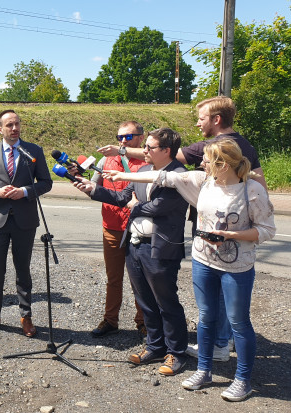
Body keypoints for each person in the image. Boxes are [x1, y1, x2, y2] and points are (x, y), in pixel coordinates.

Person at [103, 138, 275, 402]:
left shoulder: (250, 189)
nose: (201, 163)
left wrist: (232, 234)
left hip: (237, 267)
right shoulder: (203, 181)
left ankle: (243, 380)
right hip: (203, 262)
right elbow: (161, 176)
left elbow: (266, 230)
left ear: (222, 164)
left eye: (206, 160)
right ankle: (204, 371)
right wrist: (120, 173)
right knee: (206, 317)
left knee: (239, 323)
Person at [74, 128, 189, 376]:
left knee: (166, 302)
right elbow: (122, 196)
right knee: (146, 301)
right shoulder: (142, 171)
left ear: (166, 151)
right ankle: (155, 346)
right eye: (145, 146)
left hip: (160, 247)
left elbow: (162, 206)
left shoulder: (179, 175)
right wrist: (92, 190)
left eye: (150, 147)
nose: (144, 151)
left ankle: (176, 353)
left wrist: (136, 206)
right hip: (135, 244)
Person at [178, 96, 266, 362]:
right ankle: (220, 343)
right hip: (227, 232)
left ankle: (219, 346)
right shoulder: (245, 144)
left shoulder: (215, 147)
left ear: (216, 120)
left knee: (221, 298)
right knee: (221, 297)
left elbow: (172, 157)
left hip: (222, 235)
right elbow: (260, 181)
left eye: (201, 118)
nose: (197, 124)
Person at [0, 110, 52, 337]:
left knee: (23, 270)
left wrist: (26, 191)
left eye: (17, 124)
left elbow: (46, 182)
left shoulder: (33, 151)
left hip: (25, 220)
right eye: (9, 125)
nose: (14, 128)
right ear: (0, 128)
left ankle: (26, 317)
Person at [88, 121, 147, 338]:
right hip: (112, 226)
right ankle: (110, 320)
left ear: (141, 137)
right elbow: (95, 187)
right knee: (114, 278)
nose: (123, 141)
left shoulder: (149, 161)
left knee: (140, 279)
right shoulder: (106, 160)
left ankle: (144, 321)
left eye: (128, 137)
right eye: (120, 137)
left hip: (138, 228)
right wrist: (80, 181)